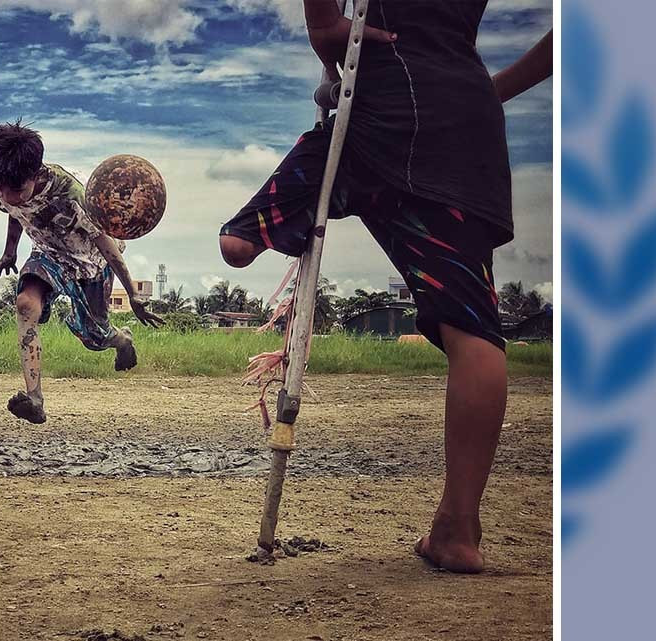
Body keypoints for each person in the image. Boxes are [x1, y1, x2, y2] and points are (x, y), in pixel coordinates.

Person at [218, 0, 551, 572]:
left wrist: (324, 25)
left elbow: (328, 28)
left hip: (375, 117)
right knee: (472, 325)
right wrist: (486, 91)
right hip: (466, 123)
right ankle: (457, 528)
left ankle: (271, 231)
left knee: (236, 243)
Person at [0, 120, 163, 424]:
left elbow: (108, 247)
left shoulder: (73, 195)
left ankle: (121, 340)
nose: (7, 196)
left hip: (90, 261)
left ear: (36, 174)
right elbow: (14, 213)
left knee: (94, 337)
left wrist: (132, 292)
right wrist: (10, 252)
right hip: (48, 253)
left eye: (15, 190)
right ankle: (35, 398)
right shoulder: (6, 180)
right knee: (26, 305)